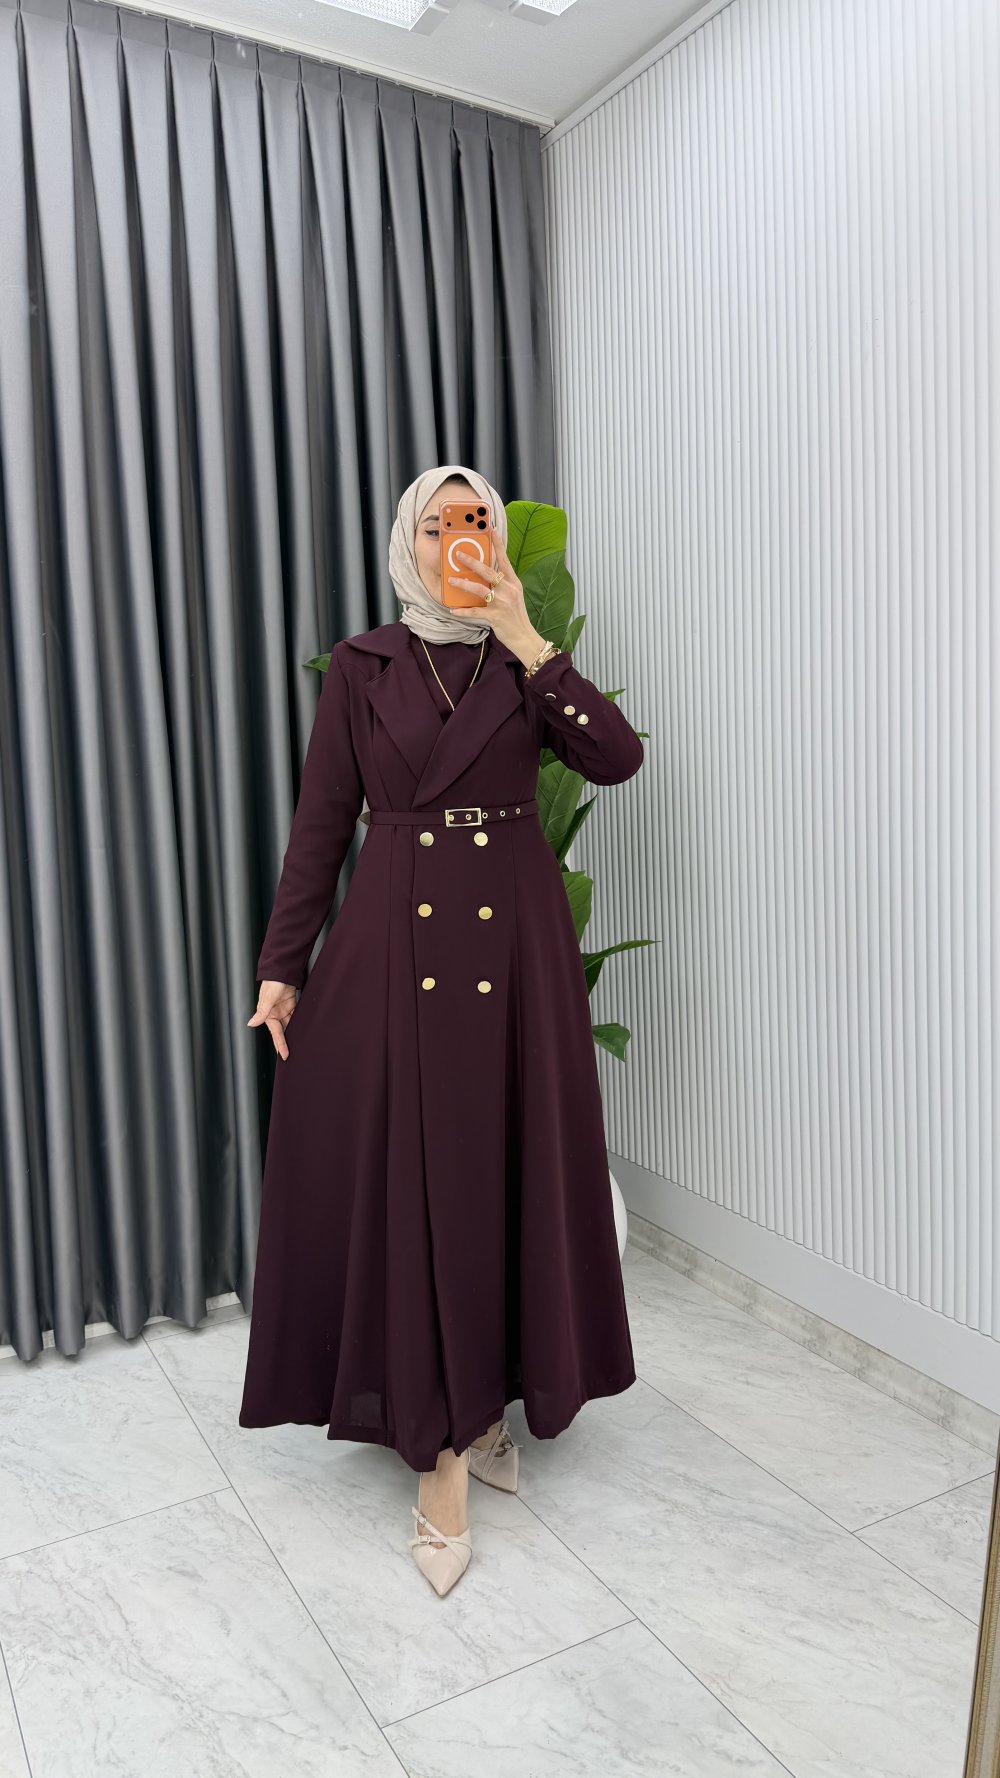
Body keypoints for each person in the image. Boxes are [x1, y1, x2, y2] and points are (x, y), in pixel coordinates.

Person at [240, 464, 645, 1596]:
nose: (455, 540)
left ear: (495, 540)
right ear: (406, 543)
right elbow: (323, 823)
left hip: (513, 952)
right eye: (436, 524)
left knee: (499, 1175)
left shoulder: (524, 662)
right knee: (418, 1183)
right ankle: (440, 1450)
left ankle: (486, 1408)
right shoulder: (364, 666)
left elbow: (616, 759)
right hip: (395, 943)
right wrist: (282, 968)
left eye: (473, 521)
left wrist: (529, 639)